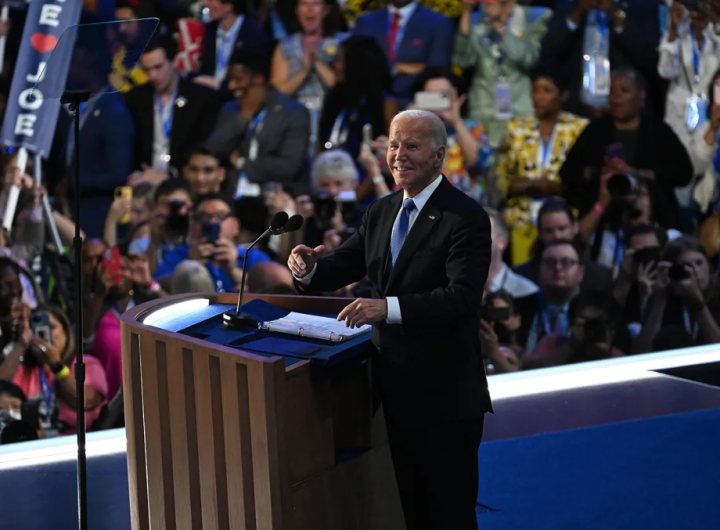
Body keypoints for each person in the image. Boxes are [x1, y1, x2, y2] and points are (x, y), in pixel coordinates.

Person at [288, 110, 492, 530]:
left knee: (448, 513)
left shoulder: (465, 217)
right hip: (395, 391)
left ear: (439, 156)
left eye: (411, 146)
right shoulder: (382, 211)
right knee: (412, 512)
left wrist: (388, 308)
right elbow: (343, 262)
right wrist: (307, 268)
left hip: (445, 396)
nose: (398, 155)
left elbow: (462, 298)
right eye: (394, 145)